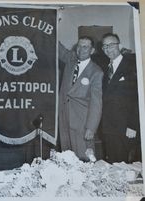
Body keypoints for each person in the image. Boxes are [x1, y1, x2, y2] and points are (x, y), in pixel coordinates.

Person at [58, 36, 103, 161]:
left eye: (85, 47)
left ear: (92, 50)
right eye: (79, 46)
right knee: (66, 157)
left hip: (82, 123)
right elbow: (59, 49)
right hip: (64, 118)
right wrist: (51, 27)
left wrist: (91, 128)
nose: (81, 49)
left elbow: (96, 103)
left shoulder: (96, 72)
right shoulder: (71, 60)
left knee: (84, 158)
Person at [100, 33, 140, 163]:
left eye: (111, 45)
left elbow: (136, 98)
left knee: (124, 165)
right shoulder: (106, 69)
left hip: (125, 127)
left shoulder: (132, 65)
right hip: (109, 127)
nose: (107, 49)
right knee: (113, 164)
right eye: (104, 46)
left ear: (120, 46)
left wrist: (132, 125)